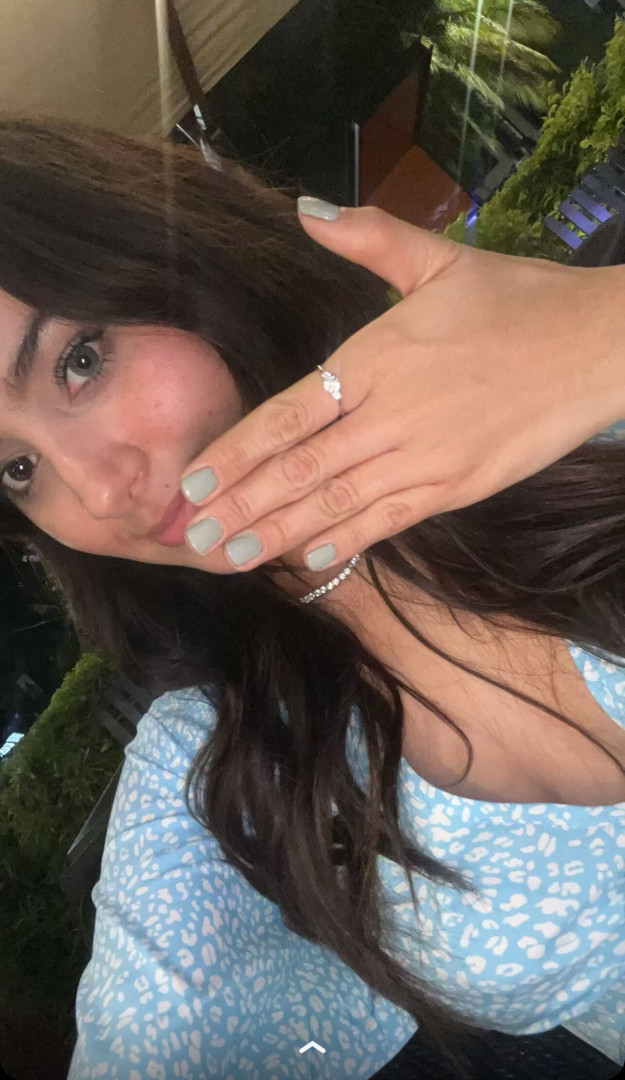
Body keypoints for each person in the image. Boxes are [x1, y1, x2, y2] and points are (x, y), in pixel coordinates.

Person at [0, 117, 623, 1079]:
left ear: (177, 256)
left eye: (78, 360)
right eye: (17, 468)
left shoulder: (544, 399)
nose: (98, 490)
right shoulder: (221, 765)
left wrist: (600, 334)